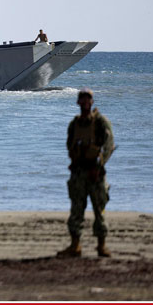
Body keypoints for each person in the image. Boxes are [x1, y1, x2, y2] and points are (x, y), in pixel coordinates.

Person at [57, 88, 115, 258]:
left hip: (95, 173)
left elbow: (108, 146)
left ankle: (101, 246)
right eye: (82, 99)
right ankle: (75, 245)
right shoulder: (74, 124)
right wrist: (74, 161)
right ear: (78, 102)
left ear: (92, 102)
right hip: (78, 172)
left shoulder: (101, 122)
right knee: (76, 210)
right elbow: (69, 145)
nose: (84, 103)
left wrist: (99, 166)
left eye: (87, 99)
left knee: (99, 210)